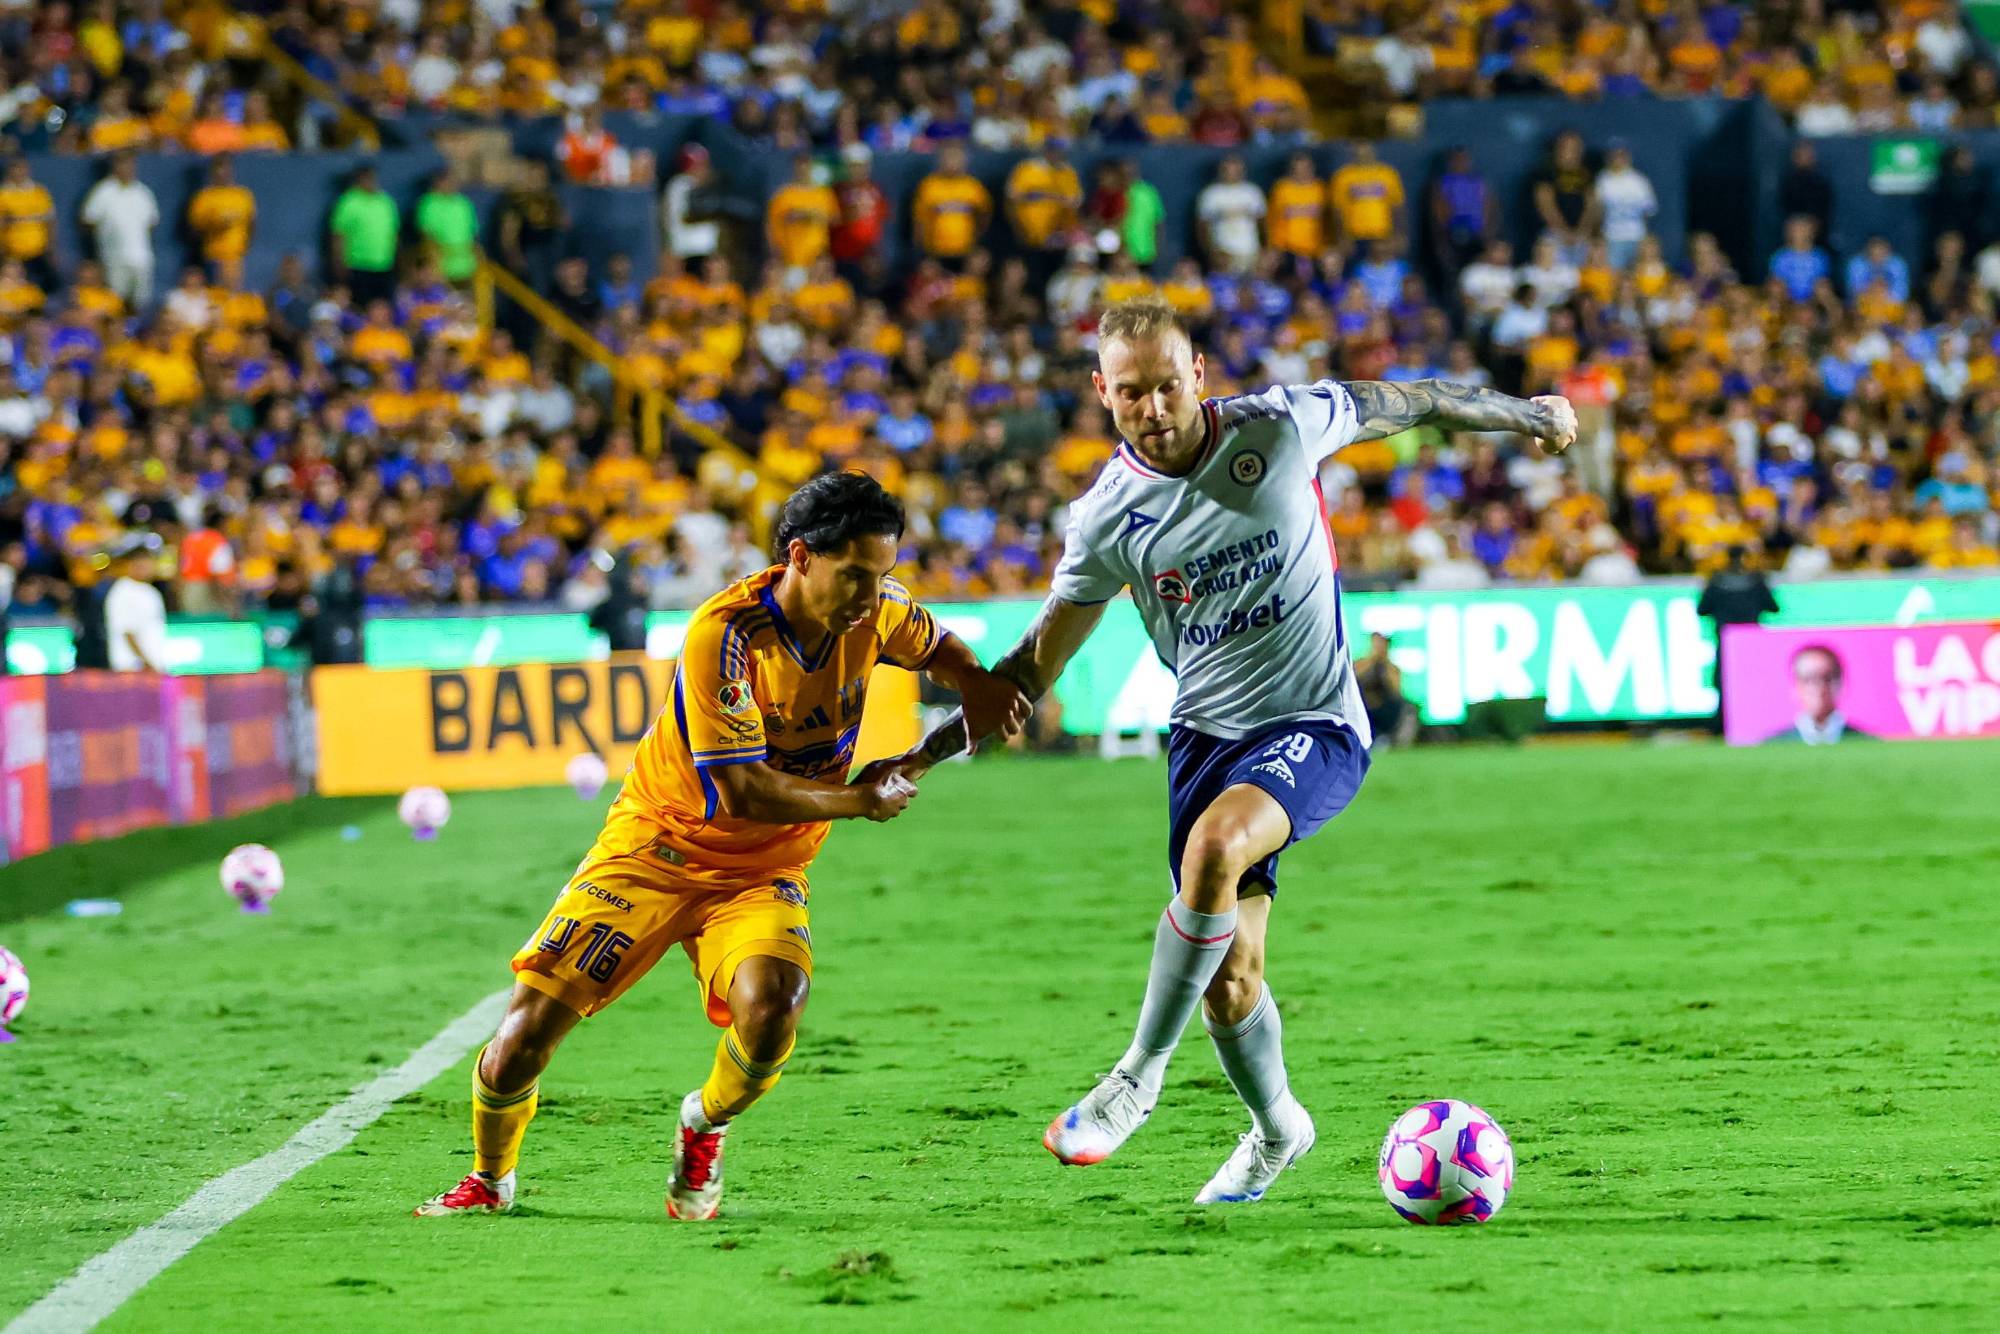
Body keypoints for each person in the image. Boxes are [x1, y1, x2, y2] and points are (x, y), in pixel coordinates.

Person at [869, 299, 1575, 1204]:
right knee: (1230, 981)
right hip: (1205, 739)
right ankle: (1280, 1129)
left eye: (1169, 385)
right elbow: (1030, 668)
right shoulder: (1106, 520)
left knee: (1214, 848)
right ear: (1101, 394)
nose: (1155, 408)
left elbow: (1413, 399)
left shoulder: (1282, 426)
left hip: (1317, 723)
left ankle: (1135, 1077)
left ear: (1199, 372)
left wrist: (1530, 414)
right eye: (1132, 394)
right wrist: (922, 758)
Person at [414, 472, 1030, 1222]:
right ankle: (489, 1178)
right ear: (801, 557)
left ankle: (703, 1124)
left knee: (774, 1010)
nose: (872, 596)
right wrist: (862, 798)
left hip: (765, 867)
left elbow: (953, 659)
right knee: (523, 1039)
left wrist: (966, 701)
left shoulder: (882, 614)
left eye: (884, 576)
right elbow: (742, 792)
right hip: (656, 848)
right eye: (856, 576)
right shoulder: (724, 635)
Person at [1696, 544, 1777, 735]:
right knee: (1754, 683)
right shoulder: (1756, 581)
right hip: (1751, 642)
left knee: (1724, 683)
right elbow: (1774, 607)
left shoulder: (1717, 581)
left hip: (1726, 640)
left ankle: (1722, 725)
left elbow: (1702, 609)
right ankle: (1756, 720)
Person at [81, 151, 159, 311]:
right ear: (114, 166)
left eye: (130, 164)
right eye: (122, 164)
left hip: (141, 257)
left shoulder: (142, 192)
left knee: (140, 303)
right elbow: (88, 220)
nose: (127, 168)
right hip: (113, 256)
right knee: (115, 302)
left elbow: (152, 223)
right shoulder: (103, 191)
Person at [1763, 645, 1873, 745]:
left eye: (1828, 678)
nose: (1819, 688)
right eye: (1809, 679)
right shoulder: (1775, 746)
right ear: (1795, 686)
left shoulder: (1865, 743)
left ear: (1841, 682)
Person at [100, 534, 169, 672]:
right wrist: (146, 663)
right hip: (134, 668)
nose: (144, 565)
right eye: (138, 560)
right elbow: (127, 632)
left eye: (147, 559)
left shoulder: (150, 591)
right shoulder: (123, 591)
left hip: (154, 666)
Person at [1355, 632, 1414, 749]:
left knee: (1407, 707)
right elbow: (1354, 678)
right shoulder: (1361, 663)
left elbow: (1396, 690)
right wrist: (1372, 660)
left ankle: (1393, 740)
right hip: (1363, 706)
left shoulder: (1392, 668)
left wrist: (1384, 664)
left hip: (1385, 708)